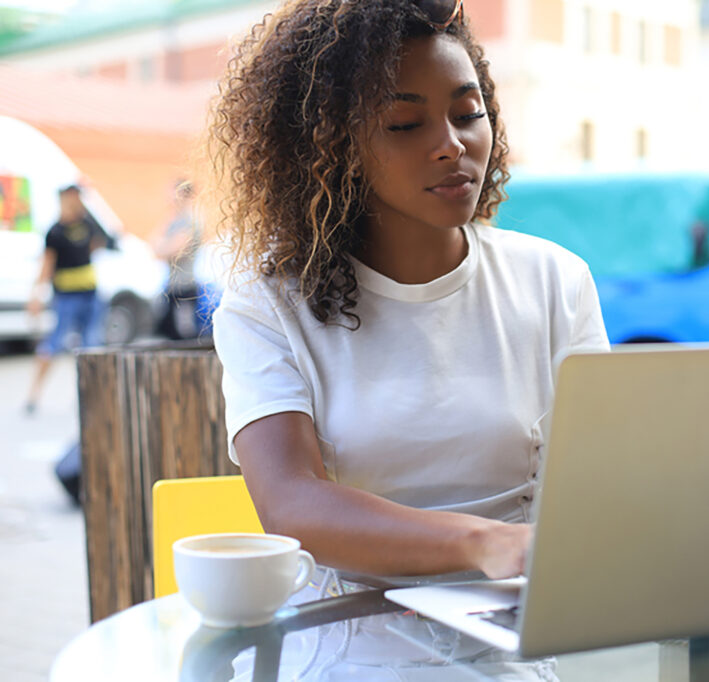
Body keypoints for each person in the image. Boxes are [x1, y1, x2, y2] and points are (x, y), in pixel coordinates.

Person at [207, 0, 607, 672]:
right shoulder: (267, 303)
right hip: (348, 651)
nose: (451, 142)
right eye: (403, 121)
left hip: (512, 645)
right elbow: (291, 504)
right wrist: (487, 543)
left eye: (468, 110)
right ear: (333, 146)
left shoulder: (553, 280)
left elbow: (604, 480)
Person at [24, 185, 110, 414]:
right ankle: (34, 395)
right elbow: (46, 264)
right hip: (66, 297)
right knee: (53, 344)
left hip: (90, 295)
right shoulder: (55, 232)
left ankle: (91, 396)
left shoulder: (87, 224)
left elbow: (104, 241)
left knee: (92, 345)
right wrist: (36, 295)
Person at [152, 179, 204, 339]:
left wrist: (164, 246)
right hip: (172, 287)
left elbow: (175, 249)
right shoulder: (173, 221)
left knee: (184, 336)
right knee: (165, 333)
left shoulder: (191, 220)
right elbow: (155, 247)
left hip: (185, 288)